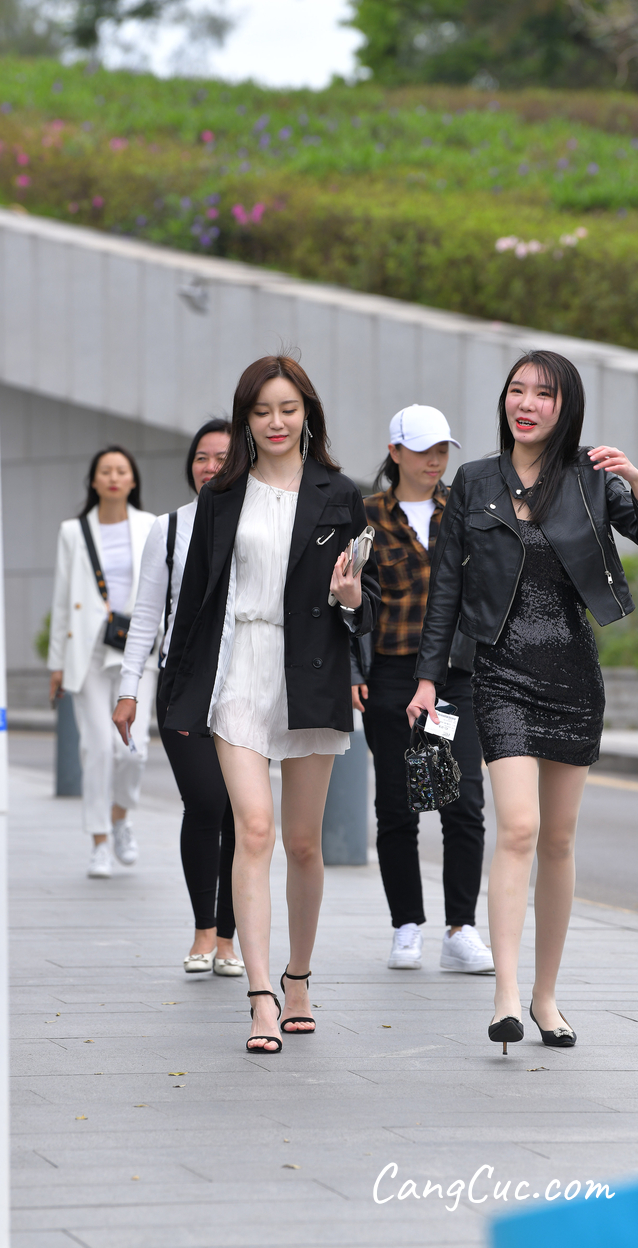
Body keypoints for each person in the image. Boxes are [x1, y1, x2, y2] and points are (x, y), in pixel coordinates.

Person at [407, 351, 638, 1052]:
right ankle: (504, 994)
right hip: (499, 673)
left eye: (542, 394)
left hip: (573, 674)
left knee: (557, 838)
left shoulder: (591, 478)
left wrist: (637, 482)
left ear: (565, 406)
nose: (525, 404)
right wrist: (429, 678)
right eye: (516, 391)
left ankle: (545, 996)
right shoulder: (473, 482)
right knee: (519, 827)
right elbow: (446, 589)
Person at [162, 355, 380, 1054]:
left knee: (302, 842)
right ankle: (259, 995)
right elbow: (195, 600)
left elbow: (367, 600)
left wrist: (353, 597)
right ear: (245, 420)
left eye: (288, 409)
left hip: (312, 670)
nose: (276, 422)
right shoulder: (223, 494)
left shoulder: (338, 494)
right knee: (253, 830)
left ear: (307, 413)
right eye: (262, 412)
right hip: (240, 671)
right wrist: (175, 692)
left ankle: (298, 978)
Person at [353, 405, 493, 974]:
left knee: (463, 801)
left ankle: (460, 928)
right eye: (422, 450)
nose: (435, 460)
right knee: (397, 805)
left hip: (455, 675)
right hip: (390, 676)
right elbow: (349, 599)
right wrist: (354, 672)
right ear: (395, 452)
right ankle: (406, 925)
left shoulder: (464, 508)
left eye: (442, 450)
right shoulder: (365, 516)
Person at [112, 419, 244, 977]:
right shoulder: (168, 529)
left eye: (222, 457)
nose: (210, 467)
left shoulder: (259, 522)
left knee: (242, 811)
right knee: (207, 801)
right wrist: (128, 689)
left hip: (246, 683)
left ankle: (230, 939)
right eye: (201, 458)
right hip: (182, 683)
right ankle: (203, 930)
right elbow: (145, 616)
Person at [48, 446, 156, 878]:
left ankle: (119, 816)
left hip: (138, 648)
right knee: (96, 748)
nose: (113, 477)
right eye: (105, 471)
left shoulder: (150, 526)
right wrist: (57, 664)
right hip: (89, 650)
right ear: (93, 481)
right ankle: (99, 841)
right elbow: (61, 598)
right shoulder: (73, 531)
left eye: (121, 470)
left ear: (133, 480)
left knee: (133, 750)